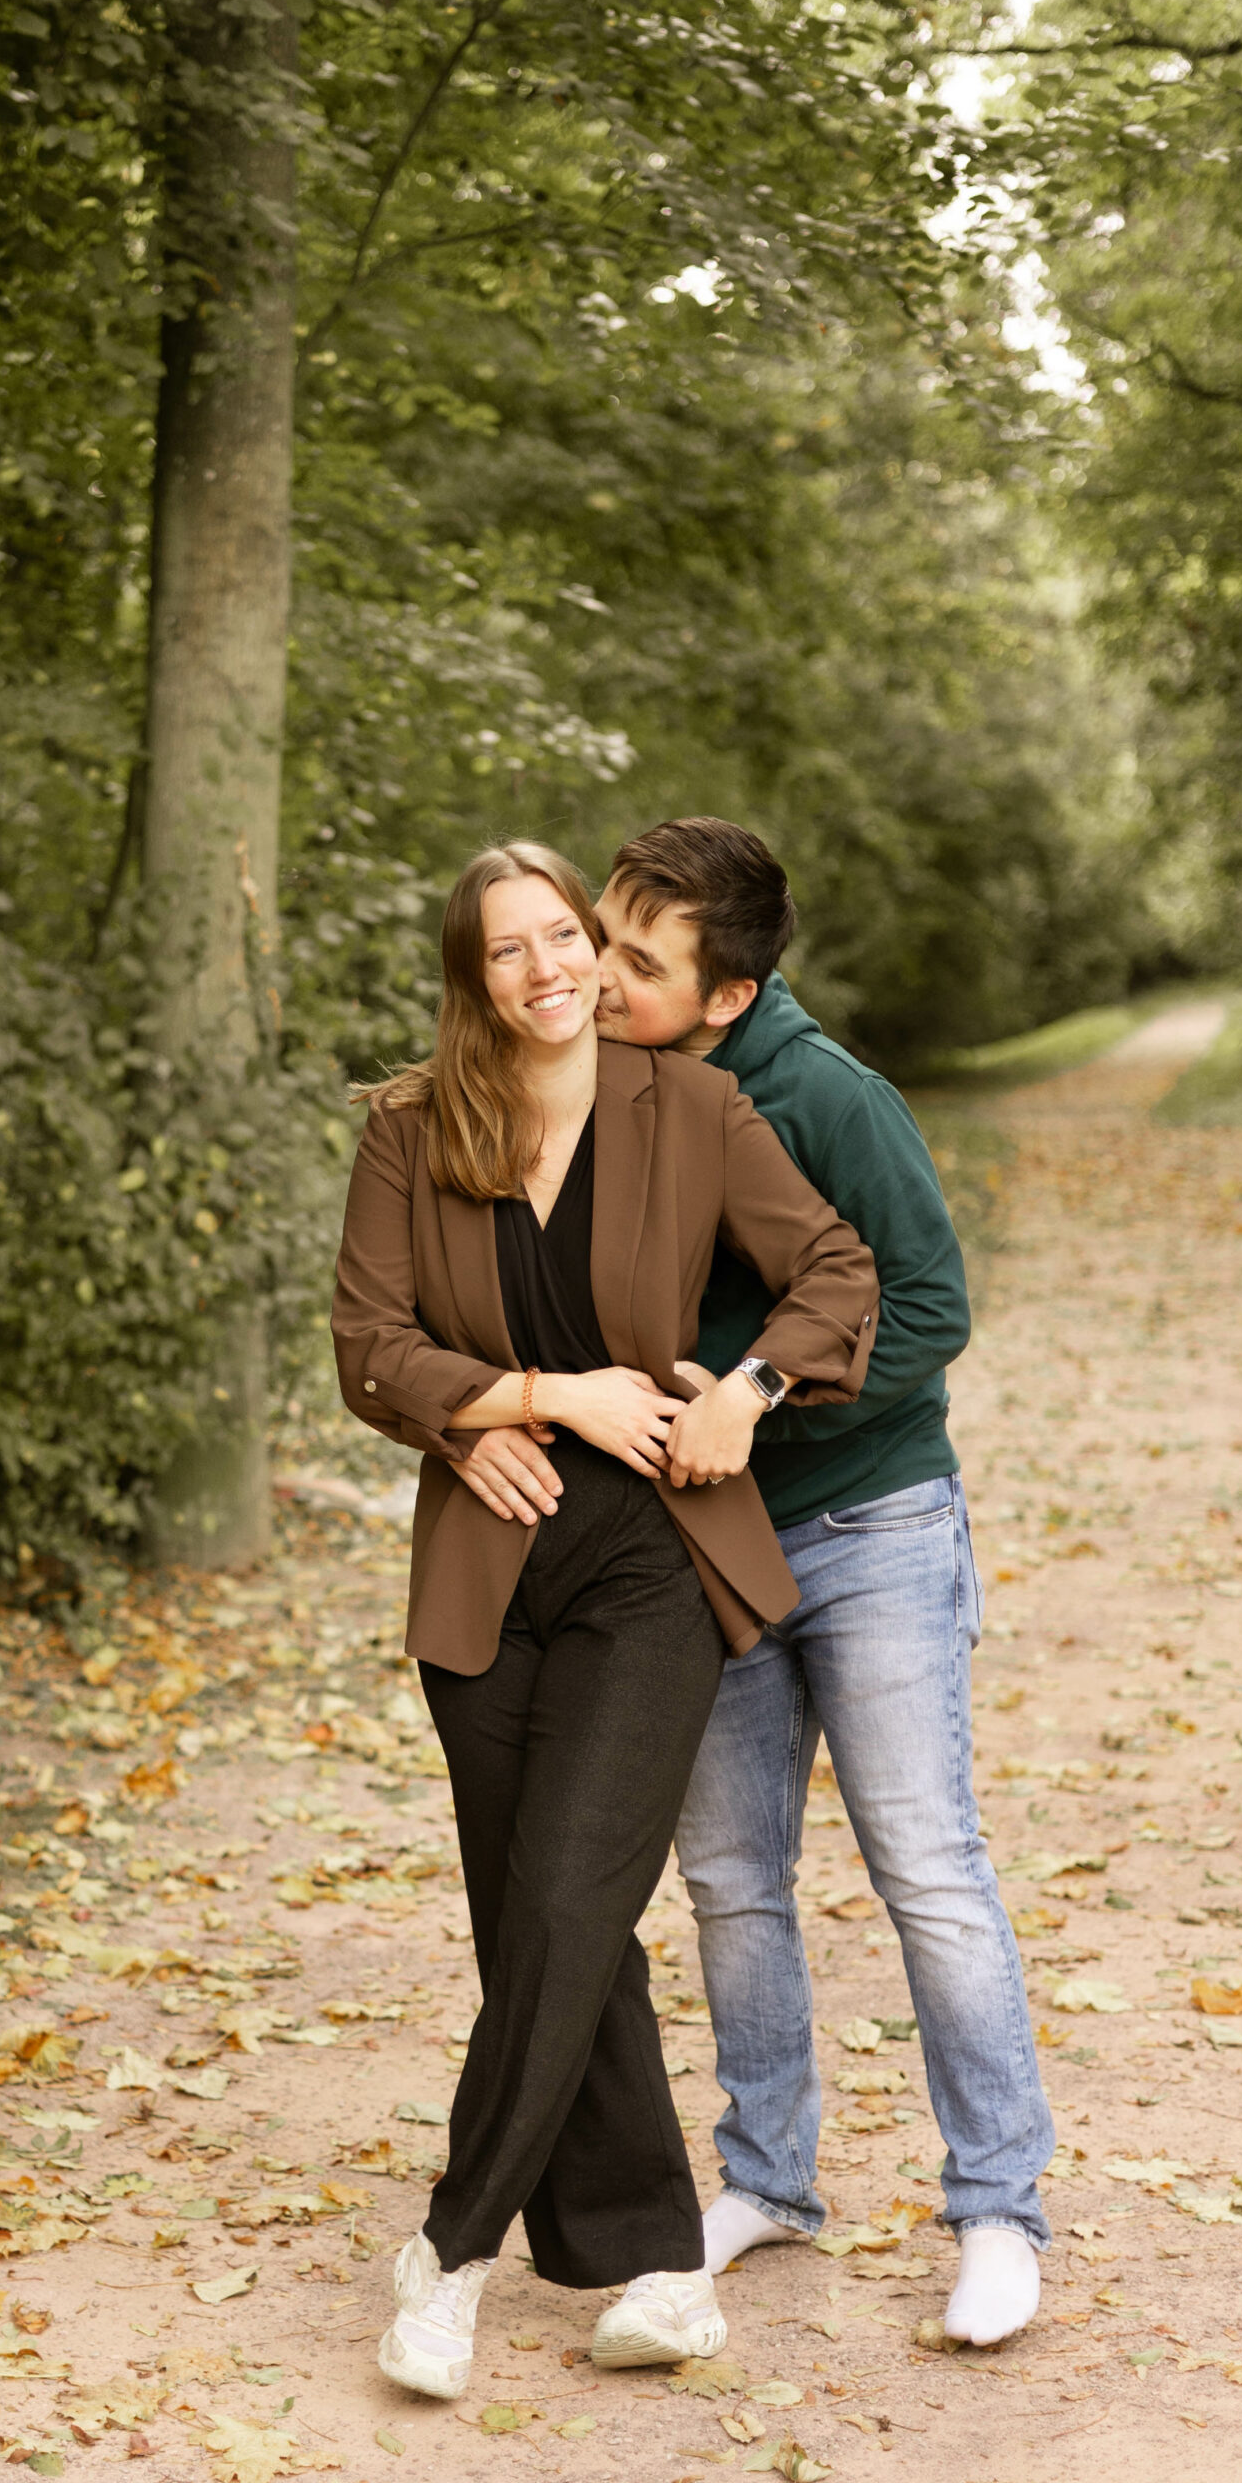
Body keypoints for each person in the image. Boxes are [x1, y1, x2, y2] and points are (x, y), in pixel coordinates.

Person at [453, 817, 1054, 2350]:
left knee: (926, 1867)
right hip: (695, 1555)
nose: (592, 971)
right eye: (596, 935)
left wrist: (757, 1391)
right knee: (731, 1883)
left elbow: (926, 1303)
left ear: (725, 998)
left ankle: (996, 2210)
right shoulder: (583, 1092)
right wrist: (474, 1423)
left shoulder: (827, 1098)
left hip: (869, 1533)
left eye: (636, 963)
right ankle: (769, 2179)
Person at [331, 839, 880, 2401]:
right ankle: (655, 2264)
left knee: (572, 1895)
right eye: (507, 949)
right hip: (492, 1560)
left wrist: (754, 1391)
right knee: (541, 1924)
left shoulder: (694, 1108)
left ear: (591, 945)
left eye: (563, 935)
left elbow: (839, 1273)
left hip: (650, 1556)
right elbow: (370, 1344)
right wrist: (503, 1400)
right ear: (473, 976)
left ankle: (448, 2257)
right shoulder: (406, 1128)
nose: (547, 968)